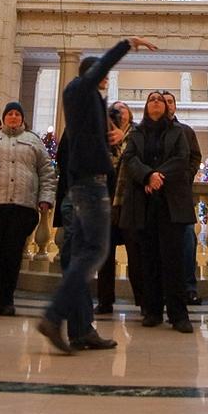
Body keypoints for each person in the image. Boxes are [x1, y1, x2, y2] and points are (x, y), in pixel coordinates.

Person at [38, 36, 158, 355]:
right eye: (101, 74)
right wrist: (126, 44)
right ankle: (53, 317)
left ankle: (80, 330)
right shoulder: (78, 89)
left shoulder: (90, 103)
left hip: (89, 180)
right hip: (87, 182)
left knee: (80, 256)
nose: (106, 79)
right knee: (94, 251)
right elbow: (98, 70)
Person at [0, 100, 55, 315]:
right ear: (4, 117)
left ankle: (6, 300)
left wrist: (45, 198)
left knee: (12, 255)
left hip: (21, 206)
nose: (13, 117)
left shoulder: (33, 141)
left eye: (17, 114)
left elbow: (46, 171)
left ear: (22, 118)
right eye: (10, 113)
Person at [120, 91, 198, 332]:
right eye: (151, 99)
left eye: (160, 100)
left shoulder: (178, 132)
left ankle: (178, 314)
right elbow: (129, 158)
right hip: (143, 202)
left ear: (166, 107)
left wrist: (157, 176)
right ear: (145, 107)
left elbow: (182, 158)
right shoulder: (136, 133)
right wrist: (147, 175)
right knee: (148, 259)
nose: (155, 102)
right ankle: (152, 310)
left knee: (173, 260)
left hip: (170, 201)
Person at [163, 92, 202, 307]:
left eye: (170, 101)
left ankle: (189, 287)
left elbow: (195, 156)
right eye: (163, 101)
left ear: (175, 106)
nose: (167, 105)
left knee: (187, 239)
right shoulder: (151, 131)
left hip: (181, 193)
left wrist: (187, 174)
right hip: (158, 193)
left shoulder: (186, 131)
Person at [96, 99, 133, 315]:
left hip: (128, 201)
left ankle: (143, 301)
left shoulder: (136, 135)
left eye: (123, 109)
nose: (119, 112)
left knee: (136, 254)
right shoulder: (102, 136)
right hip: (105, 200)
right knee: (105, 255)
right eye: (115, 109)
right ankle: (104, 301)